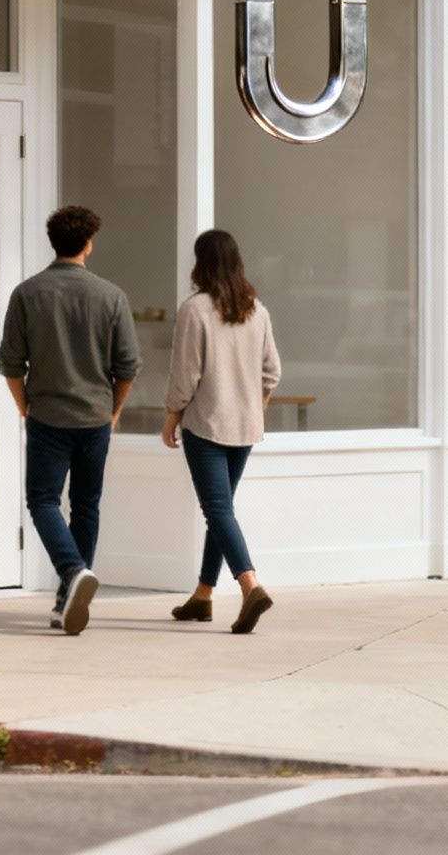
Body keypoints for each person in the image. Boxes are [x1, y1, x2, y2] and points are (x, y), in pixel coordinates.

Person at [0, 206, 141, 636]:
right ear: (89, 244)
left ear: (53, 242)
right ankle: (71, 589)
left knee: (42, 501)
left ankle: (72, 574)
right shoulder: (111, 296)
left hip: (48, 416)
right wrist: (113, 411)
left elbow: (10, 364)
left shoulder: (27, 293)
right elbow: (128, 366)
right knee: (85, 505)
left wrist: (25, 407)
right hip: (95, 417)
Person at [160, 229, 281, 634]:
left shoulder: (194, 310)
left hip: (207, 425)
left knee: (217, 510)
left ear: (201, 263)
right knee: (221, 509)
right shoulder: (256, 310)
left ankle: (251, 585)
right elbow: (272, 372)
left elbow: (185, 375)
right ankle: (202, 596)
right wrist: (252, 408)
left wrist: (172, 416)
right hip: (245, 427)